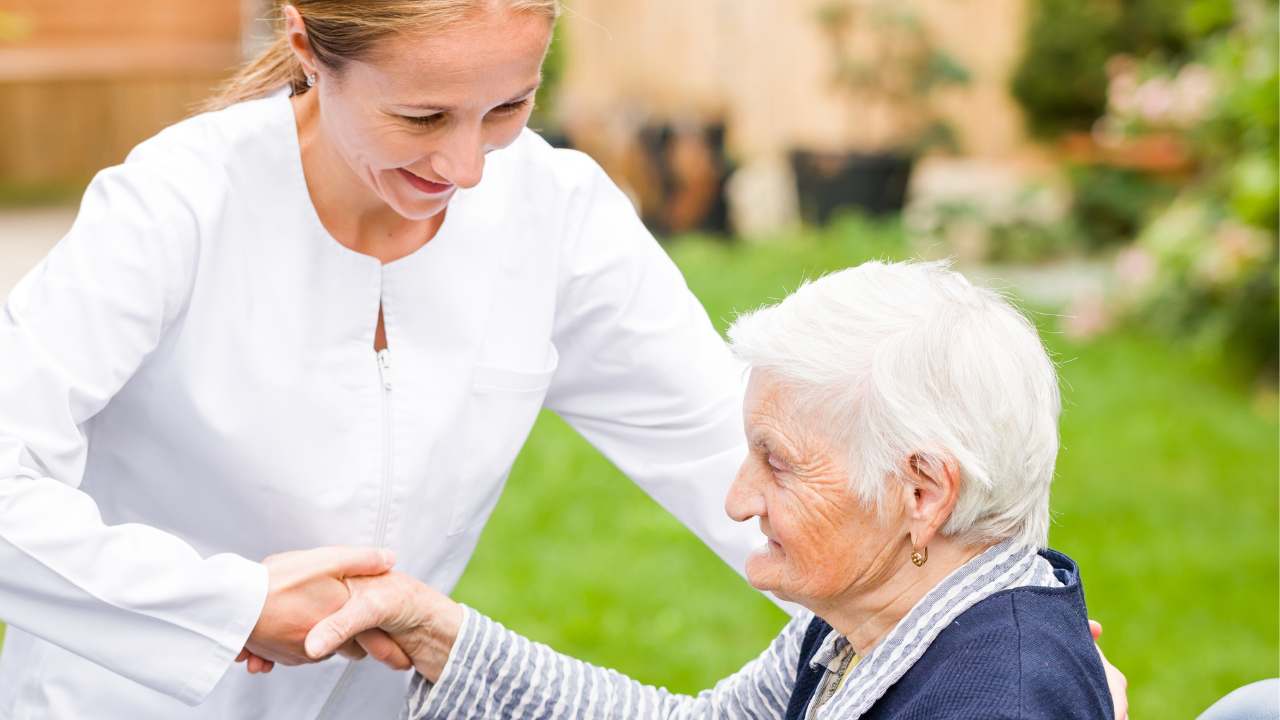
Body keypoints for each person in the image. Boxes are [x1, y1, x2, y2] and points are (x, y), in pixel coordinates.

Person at [0, 2, 763, 717]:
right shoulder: (178, 205)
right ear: (306, 46)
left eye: (508, 108)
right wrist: (230, 605)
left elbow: (745, 465)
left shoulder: (555, 214)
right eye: (421, 115)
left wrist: (881, 647)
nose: (466, 168)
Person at [301, 261, 1118, 719]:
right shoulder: (873, 625)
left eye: (780, 462)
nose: (738, 500)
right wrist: (442, 637)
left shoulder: (994, 700)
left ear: (922, 494)